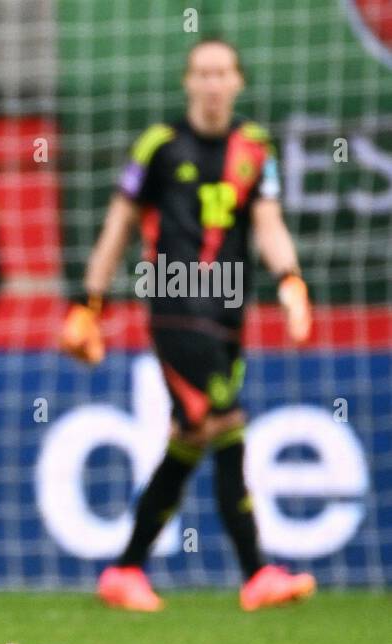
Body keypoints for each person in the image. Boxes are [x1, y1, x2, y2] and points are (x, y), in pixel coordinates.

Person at [61, 37, 316, 613]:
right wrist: (89, 301)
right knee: (227, 420)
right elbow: (119, 224)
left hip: (229, 313)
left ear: (238, 82)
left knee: (191, 437)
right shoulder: (159, 145)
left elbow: (268, 222)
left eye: (222, 72)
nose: (211, 83)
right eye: (201, 73)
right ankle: (257, 574)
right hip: (174, 304)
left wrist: (291, 280)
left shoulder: (254, 148)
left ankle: (125, 571)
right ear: (187, 82)